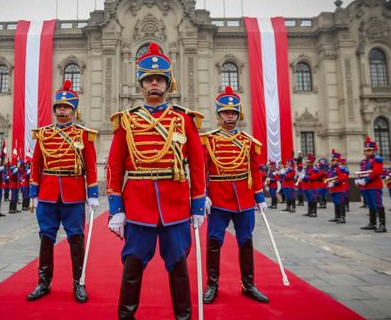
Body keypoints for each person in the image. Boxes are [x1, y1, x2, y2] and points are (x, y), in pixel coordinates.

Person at [106, 43, 206, 319]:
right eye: (149, 79)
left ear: (167, 84)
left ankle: (183, 316)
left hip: (175, 205)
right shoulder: (126, 121)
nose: (154, 83)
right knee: (133, 264)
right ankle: (126, 316)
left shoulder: (184, 120)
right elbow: (114, 167)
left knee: (178, 263)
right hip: (138, 205)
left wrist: (197, 205)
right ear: (141, 86)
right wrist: (116, 208)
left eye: (159, 79)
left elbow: (197, 166)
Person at [27, 79, 99, 304]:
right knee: (46, 238)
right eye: (59, 107)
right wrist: (34, 193)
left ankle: (79, 282)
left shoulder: (83, 136)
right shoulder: (43, 134)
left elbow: (91, 166)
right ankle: (43, 281)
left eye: (66, 107)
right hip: (48, 195)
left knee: (76, 239)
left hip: (73, 195)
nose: (62, 110)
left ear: (74, 111)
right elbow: (36, 165)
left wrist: (93, 194)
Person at [200, 85, 269, 305]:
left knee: (246, 241)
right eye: (225, 112)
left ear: (239, 114)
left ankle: (248, 285)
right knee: (214, 242)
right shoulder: (208, 140)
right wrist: (203, 195)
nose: (230, 116)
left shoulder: (248, 142)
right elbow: (201, 170)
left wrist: (259, 197)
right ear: (218, 115)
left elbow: (254, 170)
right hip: (218, 200)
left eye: (233, 112)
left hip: (244, 199)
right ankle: (212, 285)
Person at [355, 137, 385, 233]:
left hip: (374, 185)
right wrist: (359, 180)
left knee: (378, 204)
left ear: (374, 150)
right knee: (371, 205)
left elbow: (376, 172)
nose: (367, 152)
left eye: (369, 150)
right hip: (367, 186)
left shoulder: (377, 159)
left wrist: (366, 180)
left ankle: (382, 225)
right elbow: (363, 172)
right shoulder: (364, 161)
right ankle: (372, 223)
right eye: (366, 151)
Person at [327, 149, 349, 224]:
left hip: (339, 188)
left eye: (334, 160)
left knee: (340, 202)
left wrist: (334, 183)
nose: (332, 161)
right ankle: (337, 216)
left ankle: (342, 217)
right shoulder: (331, 169)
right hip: (333, 188)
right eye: (332, 160)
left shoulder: (340, 168)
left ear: (337, 161)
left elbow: (342, 178)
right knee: (336, 202)